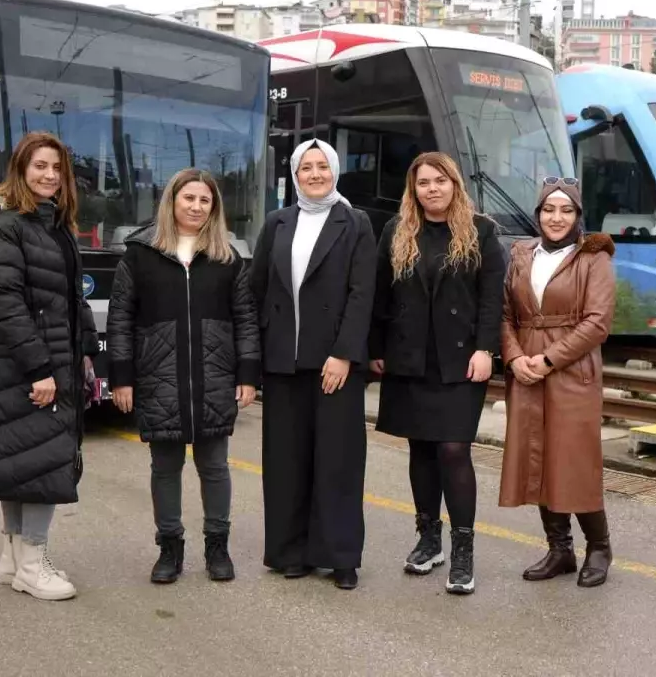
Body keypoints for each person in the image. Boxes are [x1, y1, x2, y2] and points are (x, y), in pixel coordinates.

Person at [0, 131, 99, 602]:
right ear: (20, 169)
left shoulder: (53, 223)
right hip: (26, 360)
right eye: (40, 166)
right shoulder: (8, 225)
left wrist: (86, 352)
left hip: (43, 355)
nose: (50, 176)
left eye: (57, 168)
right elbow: (5, 300)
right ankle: (33, 564)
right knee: (43, 459)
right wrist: (41, 369)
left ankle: (12, 559)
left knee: (20, 456)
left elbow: (68, 299)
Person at [107, 168, 260, 584]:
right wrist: (121, 378)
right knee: (165, 466)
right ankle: (170, 547)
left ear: (214, 208)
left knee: (215, 466)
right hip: (159, 376)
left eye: (204, 200)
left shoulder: (228, 258)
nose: (196, 206)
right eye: (188, 198)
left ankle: (217, 546)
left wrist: (247, 373)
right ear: (171, 201)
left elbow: (246, 319)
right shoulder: (140, 254)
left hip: (213, 377)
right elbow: (120, 319)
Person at [370, 152, 505, 596]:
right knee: (421, 451)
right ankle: (429, 538)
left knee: (453, 449)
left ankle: (463, 549)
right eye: (423, 182)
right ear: (414, 189)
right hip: (410, 360)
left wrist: (487, 349)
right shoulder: (396, 230)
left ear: (454, 184)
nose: (432, 188)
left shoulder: (482, 231)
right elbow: (379, 295)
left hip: (461, 360)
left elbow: (491, 300)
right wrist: (375, 350)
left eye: (440, 180)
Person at [248, 139, 376, 591]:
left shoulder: (355, 223)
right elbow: (256, 288)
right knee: (286, 462)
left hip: (333, 363)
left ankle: (340, 556)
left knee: (338, 463)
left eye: (323, 166)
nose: (316, 174)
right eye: (307, 167)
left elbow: (363, 294)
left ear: (335, 172)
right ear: (295, 174)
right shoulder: (277, 222)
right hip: (284, 362)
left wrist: (343, 353)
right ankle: (290, 551)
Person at [499, 177, 617, 588]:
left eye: (566, 210)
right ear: (537, 214)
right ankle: (560, 549)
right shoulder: (521, 253)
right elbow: (505, 315)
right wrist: (513, 357)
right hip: (526, 368)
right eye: (549, 209)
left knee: (574, 459)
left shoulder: (593, 257)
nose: (556, 217)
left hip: (571, 371)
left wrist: (547, 359)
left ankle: (599, 547)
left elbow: (597, 323)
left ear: (578, 215)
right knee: (538, 457)